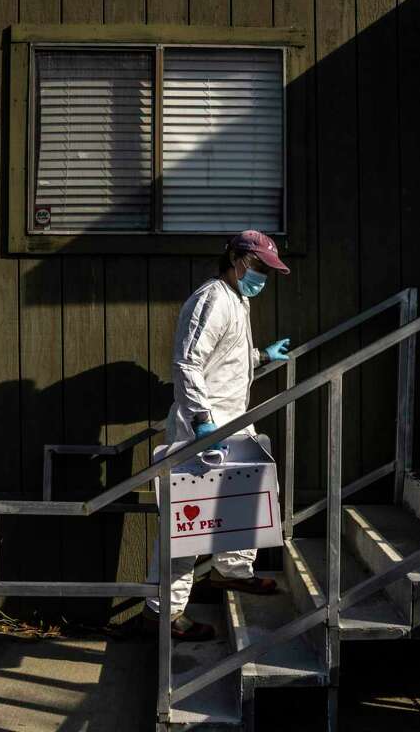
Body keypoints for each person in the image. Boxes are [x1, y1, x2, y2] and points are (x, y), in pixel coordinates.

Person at [143, 230, 292, 641]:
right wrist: (202, 419)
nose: (263, 275)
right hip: (202, 430)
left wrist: (262, 356)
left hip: (232, 422)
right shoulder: (211, 299)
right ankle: (163, 614)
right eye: (259, 266)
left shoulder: (236, 300)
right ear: (237, 259)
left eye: (268, 270)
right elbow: (188, 363)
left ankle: (233, 572)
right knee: (186, 525)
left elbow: (223, 358)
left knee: (242, 503)